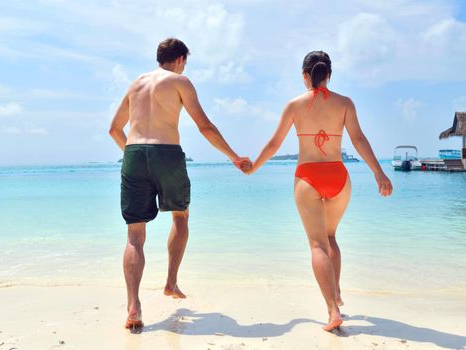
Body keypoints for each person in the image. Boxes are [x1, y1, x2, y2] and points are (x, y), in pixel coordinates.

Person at [109, 38, 251, 330]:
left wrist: (134, 156)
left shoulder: (136, 84)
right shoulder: (179, 81)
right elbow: (205, 126)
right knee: (181, 217)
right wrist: (234, 156)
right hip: (167, 153)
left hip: (134, 153)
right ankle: (171, 282)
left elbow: (114, 129)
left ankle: (133, 306)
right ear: (181, 59)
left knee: (135, 236)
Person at [245, 51, 392, 331]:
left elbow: (274, 144)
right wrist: (379, 171)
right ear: (329, 75)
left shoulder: (294, 105)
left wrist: (254, 167)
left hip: (308, 177)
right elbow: (358, 140)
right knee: (330, 237)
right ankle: (335, 292)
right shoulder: (345, 103)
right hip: (338, 176)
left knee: (317, 244)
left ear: (305, 76)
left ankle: (332, 310)